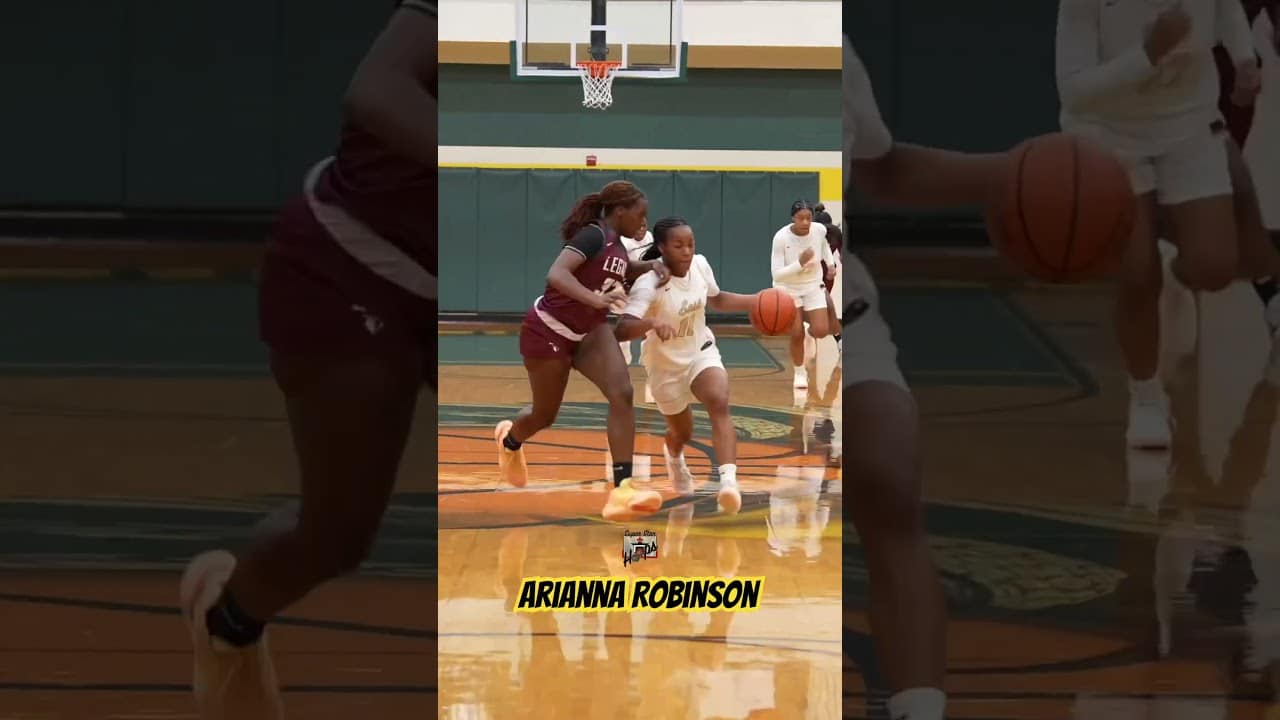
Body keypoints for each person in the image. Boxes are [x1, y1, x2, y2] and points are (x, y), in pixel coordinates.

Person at [178, 2, 436, 718]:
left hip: (474, 288)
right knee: (336, 536)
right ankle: (227, 619)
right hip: (350, 263)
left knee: (591, 472)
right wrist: (493, 159)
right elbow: (375, 89)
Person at [844, 34, 1012, 720]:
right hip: (702, 331)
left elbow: (880, 169)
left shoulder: (827, 41)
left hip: (833, 316)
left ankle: (920, 706)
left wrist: (1012, 171)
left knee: (889, 477)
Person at [1055, 0, 1280, 448]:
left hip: (1189, 125)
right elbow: (1074, 91)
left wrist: (1243, 59)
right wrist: (1147, 55)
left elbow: (1227, 6)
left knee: (1215, 268)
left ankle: (1176, 272)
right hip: (1107, 132)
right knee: (1136, 274)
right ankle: (1146, 398)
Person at [494, 180, 670, 521]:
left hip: (590, 331)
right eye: (640, 215)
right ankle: (510, 441)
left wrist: (650, 266)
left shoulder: (618, 246)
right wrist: (594, 299)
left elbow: (620, 268)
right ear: (619, 212)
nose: (645, 222)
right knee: (544, 415)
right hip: (547, 331)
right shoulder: (592, 235)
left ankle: (622, 489)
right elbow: (557, 274)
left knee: (622, 392)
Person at [615, 216, 753, 514]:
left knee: (719, 400)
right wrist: (651, 323)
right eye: (678, 245)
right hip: (665, 365)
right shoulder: (648, 283)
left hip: (700, 351)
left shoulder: (701, 266)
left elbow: (717, 300)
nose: (687, 251)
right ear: (662, 248)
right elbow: (622, 329)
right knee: (682, 432)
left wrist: (757, 301)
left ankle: (729, 483)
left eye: (690, 244)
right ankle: (674, 456)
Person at [771, 201, 840, 389]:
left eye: (809, 218)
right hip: (788, 288)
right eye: (801, 218)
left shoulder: (818, 230)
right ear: (793, 218)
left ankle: (810, 333)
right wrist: (800, 263)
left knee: (821, 330)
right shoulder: (781, 237)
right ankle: (799, 373)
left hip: (812, 285)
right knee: (796, 332)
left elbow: (825, 246)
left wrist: (831, 264)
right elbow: (776, 274)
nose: (805, 222)